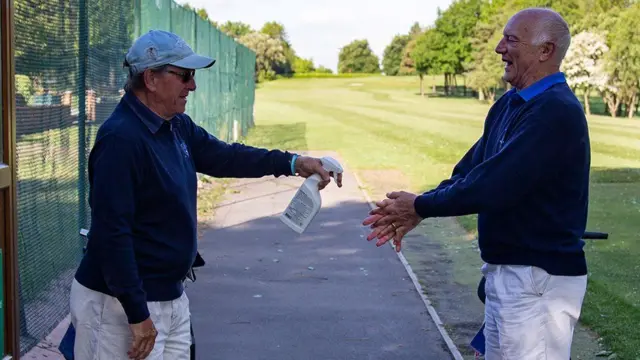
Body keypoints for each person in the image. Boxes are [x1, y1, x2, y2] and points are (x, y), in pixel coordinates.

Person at [69, 29, 343, 360]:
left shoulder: (175, 125)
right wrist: (137, 314)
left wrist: (294, 162)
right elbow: (113, 235)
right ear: (151, 79)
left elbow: (227, 156)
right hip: (119, 308)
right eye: (184, 75)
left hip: (169, 297)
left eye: (193, 76)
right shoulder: (121, 140)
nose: (193, 86)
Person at [363, 7, 590, 360]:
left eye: (511, 40)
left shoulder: (555, 111)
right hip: (509, 275)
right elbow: (469, 171)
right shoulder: (509, 105)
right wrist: (420, 206)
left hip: (537, 281)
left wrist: (420, 206)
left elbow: (493, 185)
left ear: (545, 51)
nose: (500, 48)